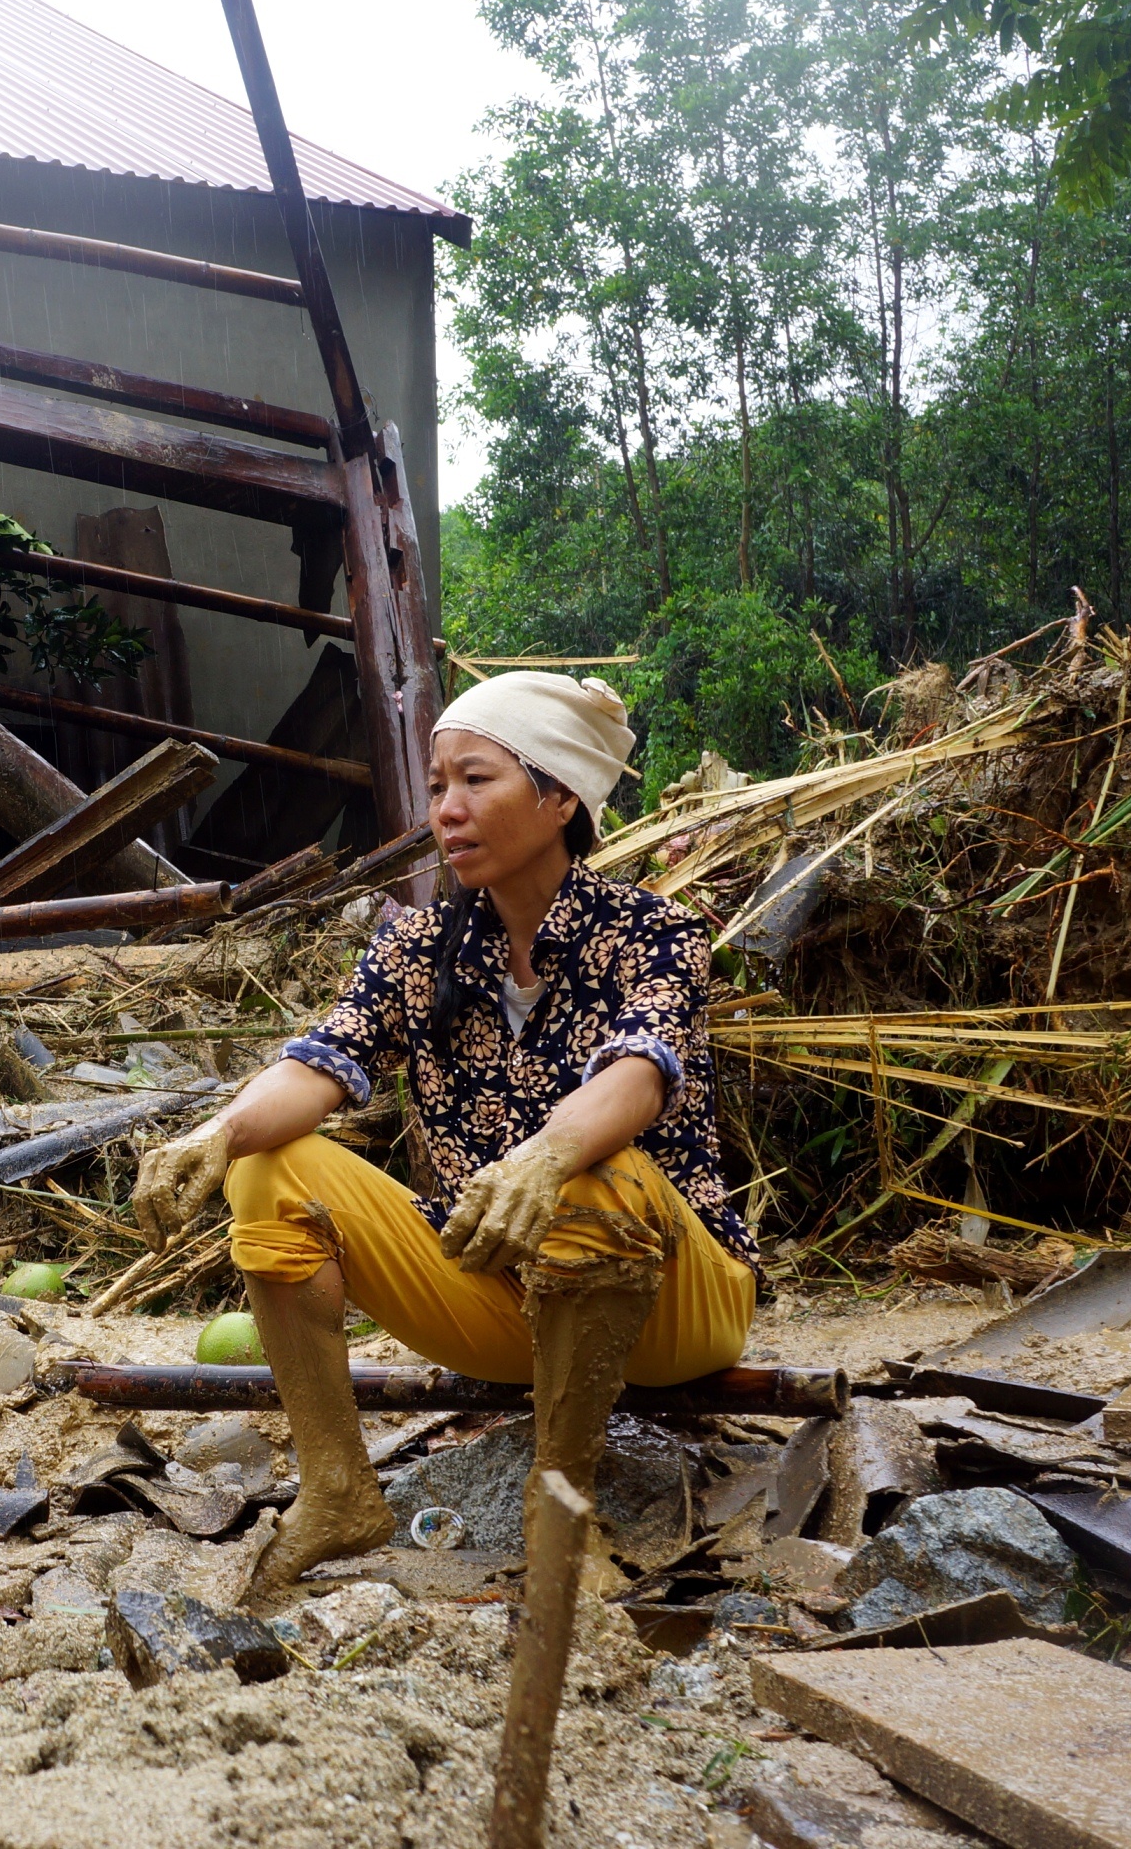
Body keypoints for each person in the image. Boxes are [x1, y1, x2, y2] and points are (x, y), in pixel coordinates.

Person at [131, 672, 755, 1603]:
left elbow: (641, 1070)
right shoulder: (417, 947)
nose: (445, 811)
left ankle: (559, 1517)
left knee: (593, 1173)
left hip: (668, 1302)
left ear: (557, 800)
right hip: (500, 1295)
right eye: (436, 787)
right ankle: (339, 1489)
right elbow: (323, 1061)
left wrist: (547, 1153)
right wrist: (216, 1135)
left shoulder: (652, 930)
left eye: (476, 781)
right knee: (269, 1169)